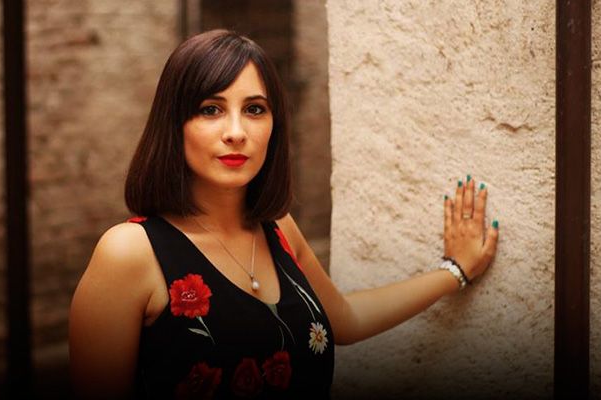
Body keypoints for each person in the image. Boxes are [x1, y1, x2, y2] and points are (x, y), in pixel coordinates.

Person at [69, 29, 499, 399]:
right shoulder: (130, 253)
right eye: (211, 109)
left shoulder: (278, 229)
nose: (236, 132)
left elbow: (346, 319)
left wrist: (454, 271)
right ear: (174, 125)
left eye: (254, 109)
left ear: (274, 127)